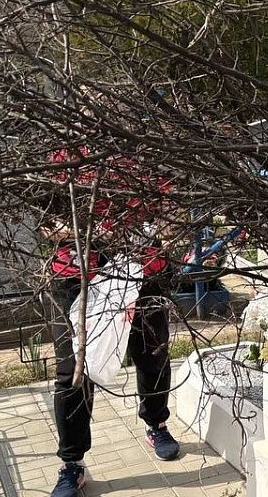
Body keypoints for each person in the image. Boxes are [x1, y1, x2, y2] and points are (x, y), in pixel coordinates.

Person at [43, 154, 180, 497]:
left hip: (144, 271)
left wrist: (166, 231)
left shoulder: (149, 151)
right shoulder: (58, 156)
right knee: (73, 371)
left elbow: (172, 211)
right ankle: (72, 463)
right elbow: (45, 223)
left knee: (153, 353)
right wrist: (96, 233)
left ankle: (156, 422)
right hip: (76, 276)